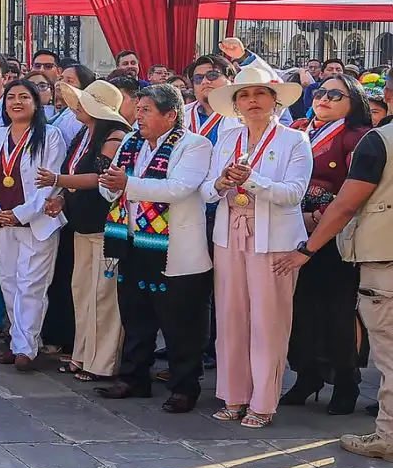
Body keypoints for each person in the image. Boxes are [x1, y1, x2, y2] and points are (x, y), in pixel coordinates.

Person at [204, 64, 312, 428]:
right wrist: (220, 183)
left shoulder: (293, 140)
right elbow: (205, 190)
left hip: (274, 241)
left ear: (274, 100)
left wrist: (252, 180)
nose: (252, 101)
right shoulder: (226, 138)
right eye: (245, 95)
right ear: (236, 104)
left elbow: (293, 194)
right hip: (229, 235)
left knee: (269, 322)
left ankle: (263, 402)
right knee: (230, 317)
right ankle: (234, 396)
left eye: (260, 94)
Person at [95, 84, 215, 411]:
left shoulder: (194, 144)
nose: (139, 116)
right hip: (133, 241)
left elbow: (178, 188)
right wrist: (111, 187)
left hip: (174, 248)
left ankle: (184, 386)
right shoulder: (132, 141)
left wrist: (126, 184)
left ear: (170, 115)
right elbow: (114, 183)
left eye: (146, 110)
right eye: (139, 109)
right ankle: (134, 377)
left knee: (181, 322)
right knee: (135, 314)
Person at [282, 75, 373, 413]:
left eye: (336, 94)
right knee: (300, 308)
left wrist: (319, 212)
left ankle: (346, 382)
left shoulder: (357, 137)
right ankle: (306, 374)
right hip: (292, 231)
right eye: (320, 92)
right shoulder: (300, 127)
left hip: (335, 235)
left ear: (354, 102)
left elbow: (356, 187)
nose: (325, 98)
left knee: (337, 310)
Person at [38, 80, 129, 381]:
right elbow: (77, 175)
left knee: (104, 295)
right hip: (81, 224)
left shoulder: (116, 136)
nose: (75, 106)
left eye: (83, 102)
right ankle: (82, 353)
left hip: (105, 227)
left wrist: (58, 181)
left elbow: (100, 177)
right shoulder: (83, 134)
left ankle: (101, 362)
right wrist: (62, 197)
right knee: (82, 291)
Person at [0, 81, 66, 371]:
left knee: (31, 284)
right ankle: (17, 340)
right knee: (8, 283)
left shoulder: (51, 136)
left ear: (36, 102)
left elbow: (50, 183)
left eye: (24, 97)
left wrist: (21, 213)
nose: (16, 102)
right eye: (11, 97)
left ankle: (26, 349)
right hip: (2, 222)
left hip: (37, 221)